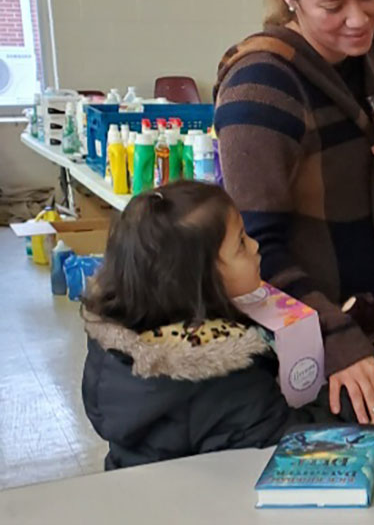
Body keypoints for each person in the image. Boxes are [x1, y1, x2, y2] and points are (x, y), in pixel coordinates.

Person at [214, 0, 374, 424]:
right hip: (309, 336)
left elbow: (354, 177)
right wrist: (334, 336)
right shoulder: (261, 85)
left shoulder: (371, 53)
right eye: (333, 6)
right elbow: (253, 250)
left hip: (370, 312)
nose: (358, 18)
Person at [81, 182, 333, 470]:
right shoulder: (226, 383)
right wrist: (341, 398)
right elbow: (294, 438)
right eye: (240, 243)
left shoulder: (118, 351)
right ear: (199, 282)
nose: (255, 245)